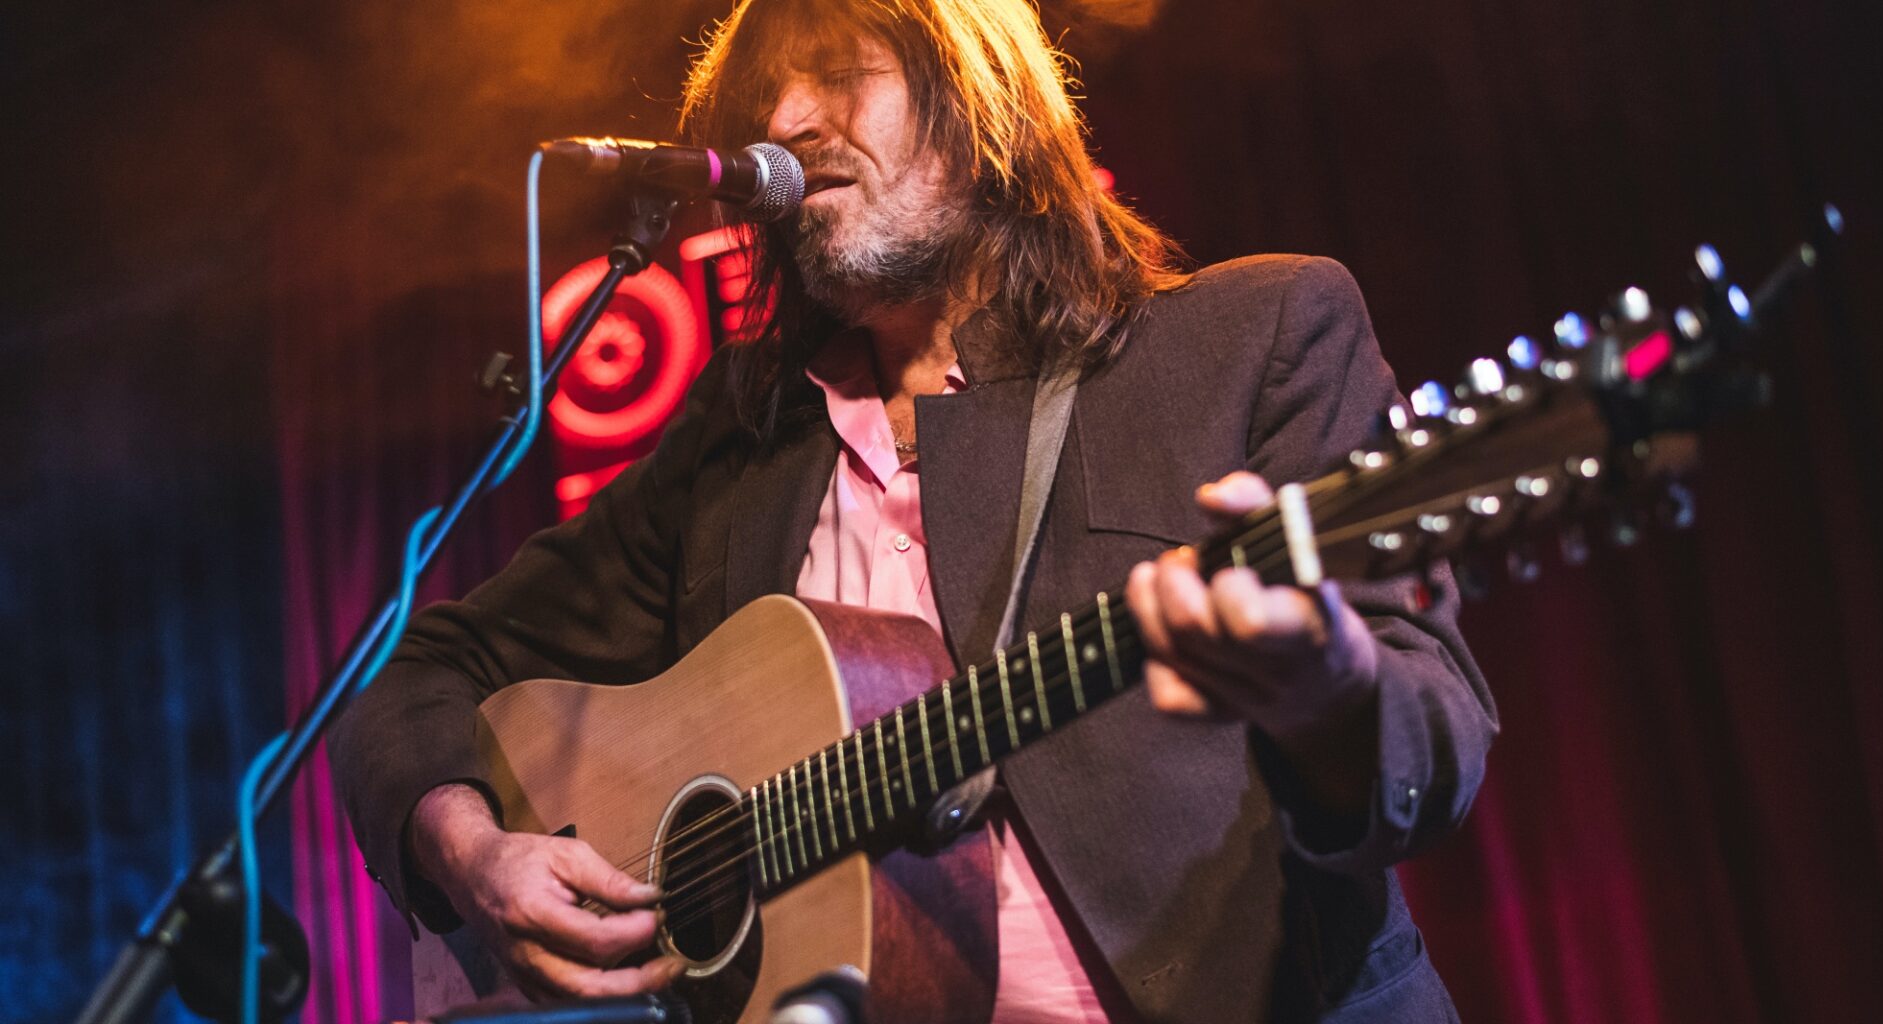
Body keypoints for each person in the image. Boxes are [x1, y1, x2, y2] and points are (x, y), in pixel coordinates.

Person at [328, 0, 1497, 1020]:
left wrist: (1328, 688)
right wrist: (467, 848)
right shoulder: (741, 442)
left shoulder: (1251, 340)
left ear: (983, 100)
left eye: (839, 73)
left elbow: (1433, 738)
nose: (785, 121)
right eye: (767, 97)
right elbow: (417, 674)